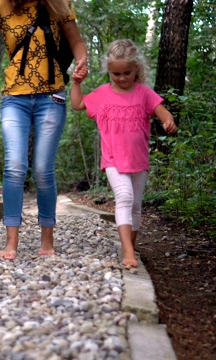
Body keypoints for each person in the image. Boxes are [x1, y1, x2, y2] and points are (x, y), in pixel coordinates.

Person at [0, 0, 88, 260]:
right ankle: (11, 242)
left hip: (51, 98)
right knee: (15, 166)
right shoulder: (1, 7)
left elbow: (77, 42)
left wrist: (82, 63)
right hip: (14, 99)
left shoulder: (57, 4)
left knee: (42, 169)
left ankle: (47, 240)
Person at [70, 39, 178, 268]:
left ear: (137, 69)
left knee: (136, 205)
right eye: (116, 74)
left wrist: (168, 121)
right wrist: (77, 83)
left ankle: (132, 245)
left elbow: (162, 111)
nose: (121, 78)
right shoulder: (103, 94)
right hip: (113, 161)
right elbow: (78, 104)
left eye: (126, 73)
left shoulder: (144, 93)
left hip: (139, 161)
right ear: (109, 71)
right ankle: (127, 251)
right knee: (125, 198)